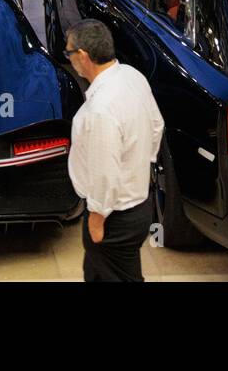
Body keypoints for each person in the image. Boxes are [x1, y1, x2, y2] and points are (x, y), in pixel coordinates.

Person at [64, 19, 163, 282]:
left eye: (69, 53)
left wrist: (96, 217)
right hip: (139, 205)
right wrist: (138, 164)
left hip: (112, 218)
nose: (69, 58)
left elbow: (104, 172)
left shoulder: (101, 109)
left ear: (82, 56)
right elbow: (157, 125)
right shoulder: (132, 76)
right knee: (98, 274)